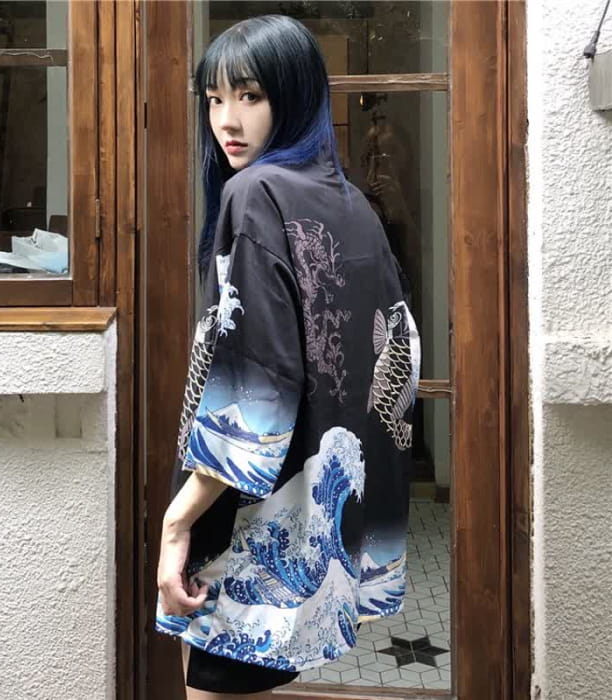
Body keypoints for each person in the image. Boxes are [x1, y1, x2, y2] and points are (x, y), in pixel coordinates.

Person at [156, 15, 421, 699]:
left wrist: (178, 521)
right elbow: (399, 357)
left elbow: (258, 385)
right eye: (214, 99)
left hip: (249, 515)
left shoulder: (253, 193)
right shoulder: (352, 203)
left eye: (250, 96)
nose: (227, 120)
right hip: (316, 519)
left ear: (295, 97)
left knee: (212, 685)